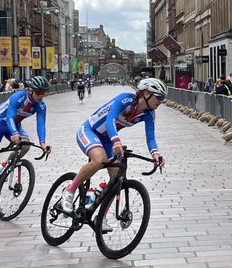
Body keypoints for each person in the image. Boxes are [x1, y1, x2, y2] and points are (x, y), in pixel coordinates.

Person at [59, 77, 166, 213]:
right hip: (90, 131)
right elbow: (110, 121)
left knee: (116, 179)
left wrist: (155, 154)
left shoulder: (149, 114)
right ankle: (69, 191)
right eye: (159, 97)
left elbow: (151, 137)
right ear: (146, 93)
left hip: (107, 139)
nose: (161, 102)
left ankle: (101, 217)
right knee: (100, 160)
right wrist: (116, 141)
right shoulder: (125, 99)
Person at [0, 75, 52, 204]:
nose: (42, 96)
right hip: (1, 122)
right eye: (40, 92)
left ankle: (4, 165)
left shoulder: (41, 106)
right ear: (31, 90)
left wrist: (43, 143)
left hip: (14, 125)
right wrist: (14, 133)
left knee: (25, 145)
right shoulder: (18, 97)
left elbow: (41, 123)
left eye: (45, 93)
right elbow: (9, 117)